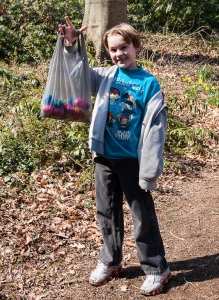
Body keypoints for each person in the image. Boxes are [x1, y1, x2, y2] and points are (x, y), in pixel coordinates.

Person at [59, 16, 171, 296]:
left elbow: (156, 130)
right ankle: (111, 261)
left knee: (142, 215)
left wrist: (150, 169)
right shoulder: (105, 76)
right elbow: (78, 74)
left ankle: (157, 269)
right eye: (113, 50)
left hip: (134, 161)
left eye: (124, 47)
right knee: (106, 212)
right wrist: (72, 44)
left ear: (135, 47)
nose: (119, 54)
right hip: (104, 158)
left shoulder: (149, 84)